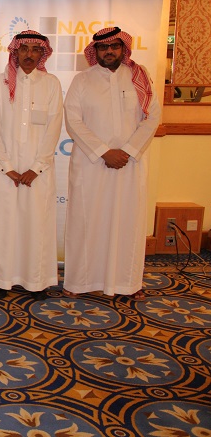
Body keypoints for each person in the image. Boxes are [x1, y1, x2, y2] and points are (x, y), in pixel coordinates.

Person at [63, 26, 161, 300]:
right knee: (87, 222)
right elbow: (73, 120)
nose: (109, 51)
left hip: (130, 165)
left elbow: (152, 117)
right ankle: (80, 281)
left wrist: (128, 151)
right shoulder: (82, 80)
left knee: (128, 223)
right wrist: (104, 151)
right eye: (103, 47)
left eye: (114, 46)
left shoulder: (140, 77)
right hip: (91, 164)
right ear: (95, 51)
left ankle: (128, 283)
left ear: (123, 49)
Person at [0, 31, 64, 301]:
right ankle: (0, 279)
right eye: (23, 49)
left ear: (42, 54)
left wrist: (35, 168)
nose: (29, 54)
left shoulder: (51, 84)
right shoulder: (0, 82)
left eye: (35, 50)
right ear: (14, 52)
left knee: (36, 225)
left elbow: (54, 128)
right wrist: (8, 167)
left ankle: (36, 281)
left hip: (38, 171)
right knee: (4, 224)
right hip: (5, 169)